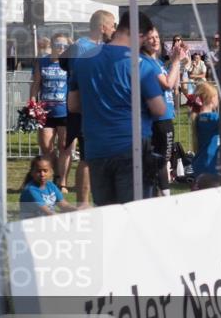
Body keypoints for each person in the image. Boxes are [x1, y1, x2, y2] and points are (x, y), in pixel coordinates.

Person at [68, 11, 167, 206]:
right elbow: (159, 109)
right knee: (135, 215)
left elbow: (73, 105)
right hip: (132, 147)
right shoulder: (139, 64)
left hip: (96, 148)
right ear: (138, 34)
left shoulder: (84, 59)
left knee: (107, 215)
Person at [59, 10, 116, 207]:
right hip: (84, 110)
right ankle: (83, 204)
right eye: (112, 25)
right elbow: (80, 79)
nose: (114, 30)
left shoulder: (88, 47)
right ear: (102, 27)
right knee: (87, 157)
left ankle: (89, 201)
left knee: (91, 156)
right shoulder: (83, 48)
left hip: (91, 109)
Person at [142, 26, 188, 196]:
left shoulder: (159, 63)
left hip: (165, 115)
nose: (155, 40)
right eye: (150, 37)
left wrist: (178, 61)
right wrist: (175, 62)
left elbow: (173, 85)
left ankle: (159, 193)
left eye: (157, 37)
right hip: (157, 119)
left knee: (162, 159)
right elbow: (167, 83)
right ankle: (162, 196)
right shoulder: (146, 62)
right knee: (160, 159)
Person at [30, 32, 70, 184]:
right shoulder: (42, 62)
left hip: (66, 111)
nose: (60, 48)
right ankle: (56, 175)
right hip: (45, 112)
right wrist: (33, 103)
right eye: (57, 45)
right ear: (51, 46)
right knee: (46, 147)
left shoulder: (70, 63)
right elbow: (35, 84)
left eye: (64, 46)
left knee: (64, 147)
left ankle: (62, 181)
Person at [191, 83, 220, 188]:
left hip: (201, 162)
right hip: (210, 164)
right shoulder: (212, 118)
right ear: (212, 99)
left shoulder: (200, 117)